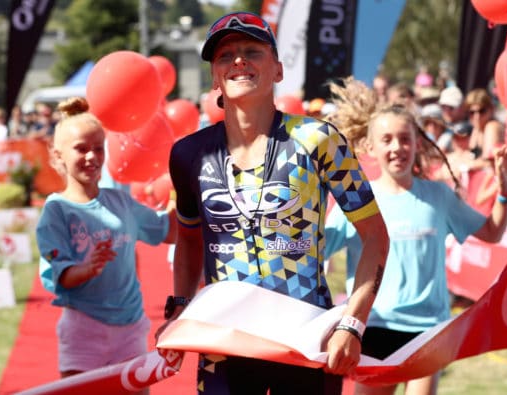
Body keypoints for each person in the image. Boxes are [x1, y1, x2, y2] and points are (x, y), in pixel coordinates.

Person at [160, 11, 389, 395]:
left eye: (252, 50)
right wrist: (180, 306)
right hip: (224, 342)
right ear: (215, 77)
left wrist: (352, 323)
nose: (238, 60)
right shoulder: (188, 154)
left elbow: (376, 237)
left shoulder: (318, 139)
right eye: (224, 56)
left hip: (305, 337)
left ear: (278, 70)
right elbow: (189, 240)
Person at [326, 77, 507, 395]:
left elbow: (493, 233)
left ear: (417, 142)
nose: (397, 148)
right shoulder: (357, 201)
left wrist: (506, 192)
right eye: (386, 140)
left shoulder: (439, 196)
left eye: (404, 138)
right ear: (370, 147)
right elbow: (316, 249)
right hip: (374, 326)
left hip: (429, 330)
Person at [35, 97, 176, 384]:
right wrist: (86, 268)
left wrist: (181, 192)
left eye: (98, 148)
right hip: (83, 330)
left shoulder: (121, 202)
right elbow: (59, 275)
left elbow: (169, 231)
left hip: (131, 327)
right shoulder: (56, 210)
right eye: (81, 149)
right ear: (59, 156)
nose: (92, 157)